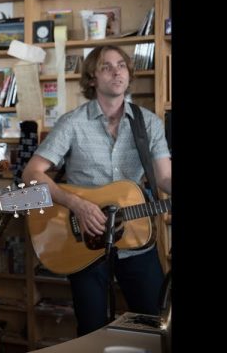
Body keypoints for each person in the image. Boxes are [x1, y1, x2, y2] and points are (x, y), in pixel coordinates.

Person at [22, 45, 171, 336]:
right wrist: (77, 205)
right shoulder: (72, 123)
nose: (117, 72)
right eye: (107, 66)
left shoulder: (148, 122)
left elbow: (164, 177)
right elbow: (32, 173)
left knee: (155, 325)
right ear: (92, 78)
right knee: (92, 329)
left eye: (122, 66)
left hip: (137, 239)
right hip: (84, 241)